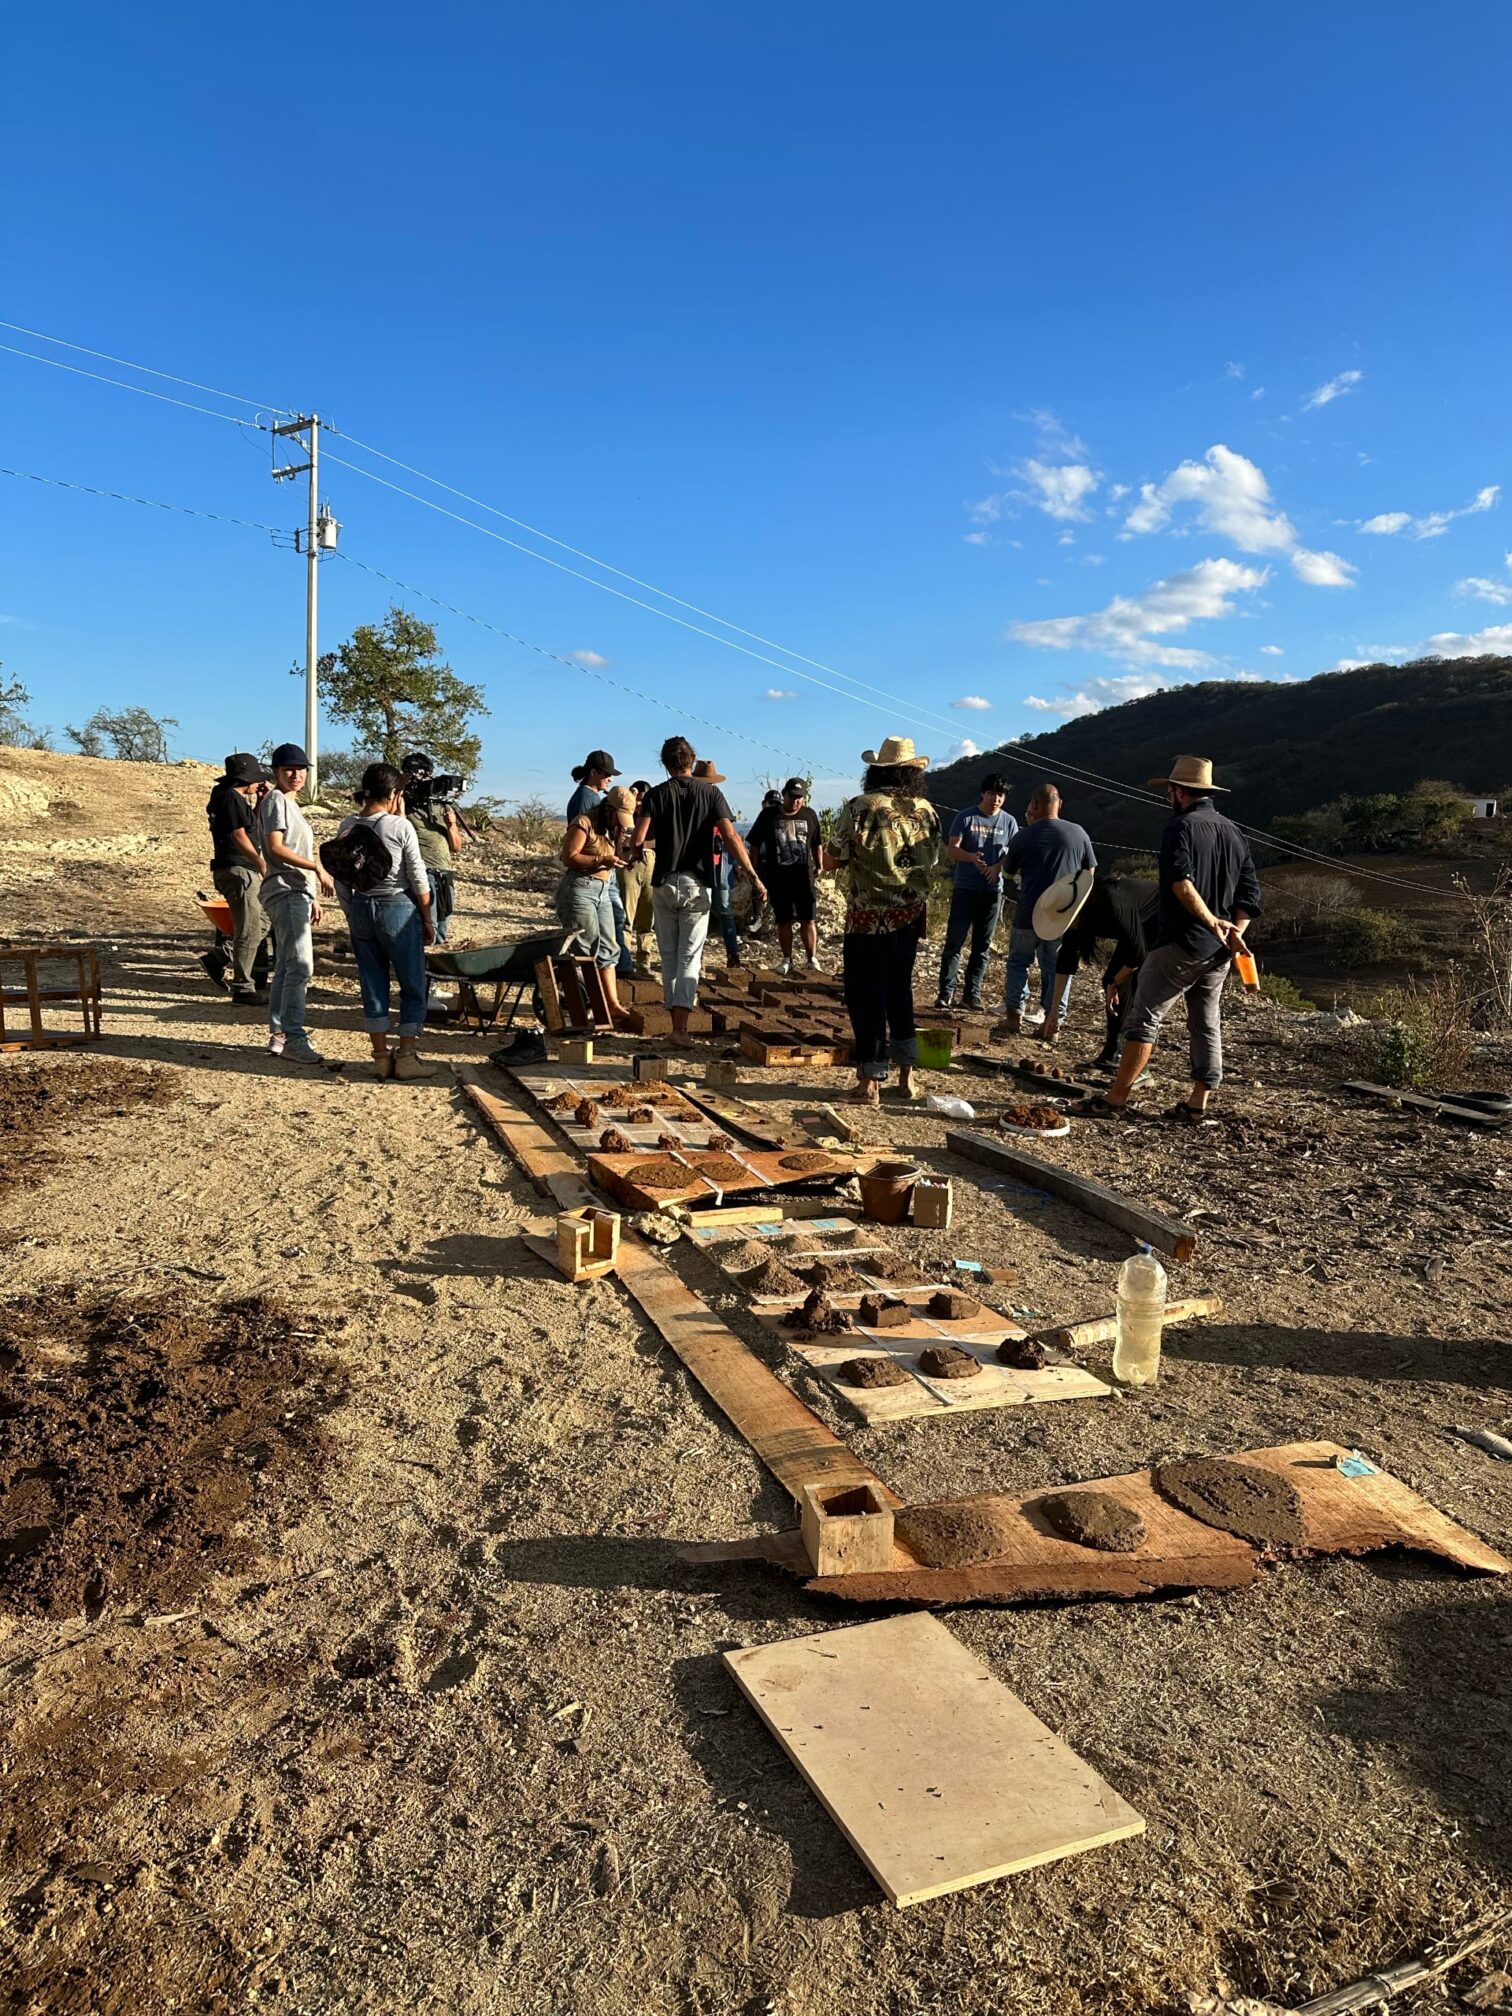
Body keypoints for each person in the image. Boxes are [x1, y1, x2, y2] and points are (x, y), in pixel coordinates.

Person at [1093, 756, 1261, 1122]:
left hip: (1181, 941)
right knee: (1205, 1021)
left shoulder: (1179, 827)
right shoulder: (1235, 832)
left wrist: (1211, 922)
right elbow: (1249, 896)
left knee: (1143, 1018)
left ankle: (1116, 1098)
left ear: (1180, 792)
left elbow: (1181, 883)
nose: (1168, 796)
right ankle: (1197, 1104)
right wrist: (1234, 934)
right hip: (1219, 951)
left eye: (1170, 790)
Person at [822, 737, 942, 1105]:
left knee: (866, 995)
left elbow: (832, 860)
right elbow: (933, 862)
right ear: (912, 774)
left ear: (875, 771)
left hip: (867, 918)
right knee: (899, 991)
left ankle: (869, 1082)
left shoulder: (861, 807)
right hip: (909, 915)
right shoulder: (927, 810)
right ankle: (907, 1078)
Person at [631, 737, 766, 1047]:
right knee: (689, 957)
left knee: (668, 956)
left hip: (664, 882)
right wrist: (753, 876)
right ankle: (681, 1029)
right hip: (696, 884)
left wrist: (633, 854)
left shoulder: (656, 794)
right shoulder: (711, 793)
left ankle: (673, 1027)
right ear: (691, 760)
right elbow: (731, 837)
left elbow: (638, 838)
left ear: (665, 764)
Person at [333, 763, 438, 1081]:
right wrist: (427, 918)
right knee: (411, 983)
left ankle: (380, 1057)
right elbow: (418, 877)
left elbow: (341, 876)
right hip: (398, 907)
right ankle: (406, 1056)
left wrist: (352, 911)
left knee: (372, 983)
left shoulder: (347, 825)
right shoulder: (399, 827)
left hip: (363, 906)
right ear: (394, 794)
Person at [996, 782, 1096, 1037]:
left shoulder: (1024, 836)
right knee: (1056, 968)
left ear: (1036, 805)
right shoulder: (1079, 833)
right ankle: (1053, 1022)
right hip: (1063, 916)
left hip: (1029, 910)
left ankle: (1013, 1016)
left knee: (1019, 962)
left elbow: (1007, 873)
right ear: (1059, 804)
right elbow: (1090, 873)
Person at [257, 742, 335, 1065]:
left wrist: (312, 895)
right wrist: (316, 867)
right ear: (276, 772)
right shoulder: (276, 800)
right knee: (301, 966)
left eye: (301, 768)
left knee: (286, 965)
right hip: (286, 889)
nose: (296, 774)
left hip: (296, 891)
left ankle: (280, 1034)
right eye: (289, 768)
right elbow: (275, 848)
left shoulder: (290, 804)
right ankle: (294, 1036)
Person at [1041, 871, 1159, 1067]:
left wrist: (1115, 981)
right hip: (1137, 932)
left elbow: (1138, 955)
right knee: (1113, 982)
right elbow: (1065, 962)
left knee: (1128, 986)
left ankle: (1127, 1057)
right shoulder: (1076, 921)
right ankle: (1112, 1053)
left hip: (1160, 921)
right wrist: (1053, 1012)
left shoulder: (1112, 904)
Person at [934, 773, 1016, 1011]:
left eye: (1000, 795)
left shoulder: (1009, 822)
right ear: (983, 793)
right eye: (992, 794)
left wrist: (997, 867)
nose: (996, 799)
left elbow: (1012, 853)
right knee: (954, 943)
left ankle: (972, 995)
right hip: (965, 888)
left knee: (982, 946)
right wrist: (970, 857)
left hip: (992, 891)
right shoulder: (965, 817)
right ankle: (945, 993)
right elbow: (952, 849)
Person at [557, 787, 631, 1020]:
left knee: (609, 948)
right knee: (586, 948)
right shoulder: (584, 822)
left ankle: (612, 1004)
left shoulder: (612, 829)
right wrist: (601, 860)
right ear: (607, 809)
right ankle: (589, 1006)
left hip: (603, 890)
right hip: (580, 889)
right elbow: (568, 856)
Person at [204, 753, 271, 1002]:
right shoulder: (231, 798)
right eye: (256, 780)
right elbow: (239, 834)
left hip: (231, 869)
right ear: (245, 779)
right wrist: (260, 862)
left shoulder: (224, 796)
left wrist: (259, 802)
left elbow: (246, 823)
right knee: (249, 929)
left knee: (261, 922)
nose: (258, 784)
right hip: (240, 870)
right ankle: (243, 987)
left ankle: (221, 956)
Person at [565, 749, 633, 980]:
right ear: (593, 772)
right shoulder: (586, 802)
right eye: (606, 774)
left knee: (609, 938)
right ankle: (589, 997)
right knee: (588, 945)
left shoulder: (594, 798)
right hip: (588, 880)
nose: (610, 779)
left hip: (602, 878)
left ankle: (607, 999)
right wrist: (602, 859)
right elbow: (577, 849)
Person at [747, 777, 823, 976]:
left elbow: (817, 843)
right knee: (784, 919)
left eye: (800, 797)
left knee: (809, 918)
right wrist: (752, 871)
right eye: (792, 796)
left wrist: (820, 865)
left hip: (804, 877)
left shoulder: (810, 815)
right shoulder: (769, 815)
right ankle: (787, 959)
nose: (796, 801)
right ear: (785, 795)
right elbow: (754, 842)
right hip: (778, 877)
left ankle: (811, 958)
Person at [401, 751, 465, 944]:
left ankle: (436, 965)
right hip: (423, 871)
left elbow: (456, 847)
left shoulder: (441, 806)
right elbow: (399, 827)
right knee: (429, 924)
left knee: (443, 924)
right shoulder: (404, 805)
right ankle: (423, 965)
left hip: (445, 873)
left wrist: (451, 824)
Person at [694, 760, 744, 970]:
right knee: (699, 913)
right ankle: (697, 958)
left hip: (721, 864)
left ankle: (733, 955)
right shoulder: (693, 801)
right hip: (699, 864)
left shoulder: (717, 799)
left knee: (723, 909)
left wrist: (739, 863)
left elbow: (731, 834)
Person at [618, 779, 656, 976]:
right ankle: (624, 961)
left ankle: (644, 961)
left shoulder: (653, 811)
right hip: (628, 860)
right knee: (626, 915)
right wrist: (631, 803)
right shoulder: (625, 813)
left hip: (650, 861)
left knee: (647, 916)